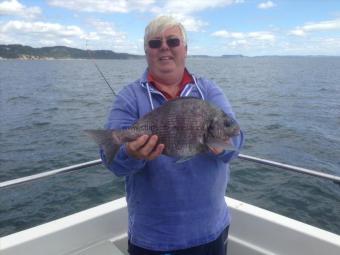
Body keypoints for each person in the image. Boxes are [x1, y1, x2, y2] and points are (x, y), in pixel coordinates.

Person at [100, 16, 244, 255]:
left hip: (211, 230)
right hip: (154, 238)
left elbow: (237, 137)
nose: (164, 47)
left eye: (173, 41)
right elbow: (111, 160)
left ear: (185, 50)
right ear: (147, 51)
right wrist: (131, 152)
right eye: (155, 43)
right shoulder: (129, 97)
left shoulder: (208, 90)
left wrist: (224, 143)